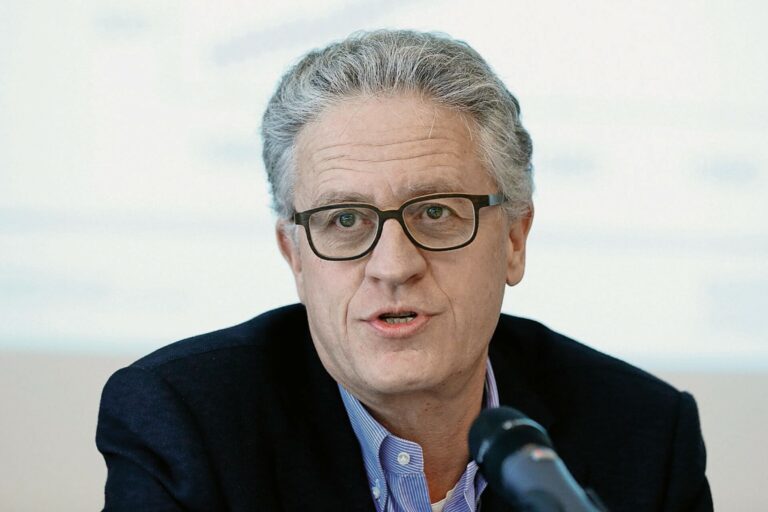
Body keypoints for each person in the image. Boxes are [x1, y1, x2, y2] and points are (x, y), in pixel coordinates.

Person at [96, 30, 712, 511]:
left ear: (514, 239)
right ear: (295, 257)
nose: (393, 266)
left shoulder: (644, 434)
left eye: (436, 212)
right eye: (344, 220)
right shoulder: (184, 425)